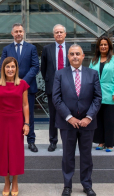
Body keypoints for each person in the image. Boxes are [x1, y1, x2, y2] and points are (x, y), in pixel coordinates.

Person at [52, 44, 102, 196]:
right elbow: (56, 98)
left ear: (82, 56)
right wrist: (69, 117)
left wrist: (88, 117)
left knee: (86, 155)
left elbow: (97, 98)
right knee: (68, 155)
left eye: (77, 54)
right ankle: (67, 186)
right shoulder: (60, 74)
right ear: (68, 57)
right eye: (72, 54)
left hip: (88, 123)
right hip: (67, 123)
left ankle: (87, 184)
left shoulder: (92, 74)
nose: (74, 56)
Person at [0, 57, 30, 196]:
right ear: (3, 69)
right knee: (2, 152)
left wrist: (26, 123)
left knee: (15, 152)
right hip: (1, 121)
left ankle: (16, 181)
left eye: (13, 67)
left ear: (16, 69)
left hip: (17, 121)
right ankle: (6, 182)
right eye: (8, 67)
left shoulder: (23, 84)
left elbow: (25, 105)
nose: (10, 69)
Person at [0, 23, 39, 152]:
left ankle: (31, 141)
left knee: (29, 115)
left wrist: (22, 82)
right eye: (16, 31)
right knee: (14, 115)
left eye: (20, 31)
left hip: (27, 87)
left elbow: (35, 67)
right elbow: (3, 67)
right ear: (12, 33)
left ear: (24, 33)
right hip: (10, 89)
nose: (18, 33)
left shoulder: (31, 48)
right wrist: (13, 82)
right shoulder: (6, 49)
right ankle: (16, 141)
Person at [41, 24, 72, 152]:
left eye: (61, 32)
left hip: (69, 87)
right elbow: (43, 68)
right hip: (52, 87)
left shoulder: (72, 48)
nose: (59, 34)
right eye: (56, 32)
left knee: (69, 114)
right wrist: (49, 80)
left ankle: (68, 141)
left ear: (65, 34)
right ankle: (53, 141)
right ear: (53, 35)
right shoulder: (47, 49)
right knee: (53, 115)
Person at [89, 36, 114, 152]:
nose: (103, 47)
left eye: (105, 44)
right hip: (96, 95)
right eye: (101, 44)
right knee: (98, 120)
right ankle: (101, 142)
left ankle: (109, 144)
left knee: (110, 121)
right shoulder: (94, 60)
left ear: (109, 46)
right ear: (98, 47)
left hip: (111, 95)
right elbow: (89, 77)